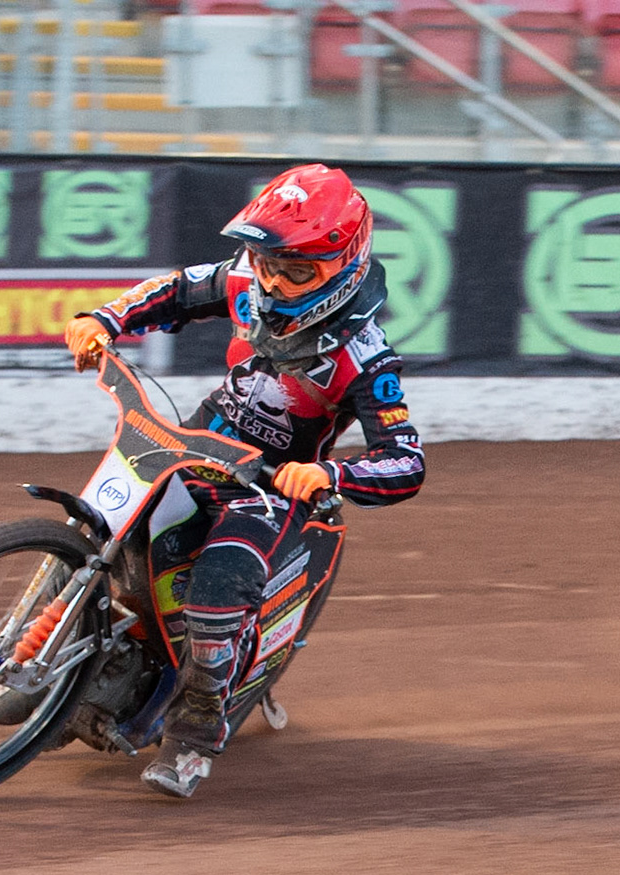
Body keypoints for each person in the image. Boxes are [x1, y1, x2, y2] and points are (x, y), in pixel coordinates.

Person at [56, 163, 426, 797]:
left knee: (217, 588)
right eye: (264, 261)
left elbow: (406, 459)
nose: (274, 280)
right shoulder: (243, 284)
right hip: (192, 445)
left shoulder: (365, 357)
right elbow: (175, 290)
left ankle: (194, 736)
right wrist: (106, 319)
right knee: (94, 529)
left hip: (267, 489)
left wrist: (329, 472)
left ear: (345, 264)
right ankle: (58, 666)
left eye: (296, 270)